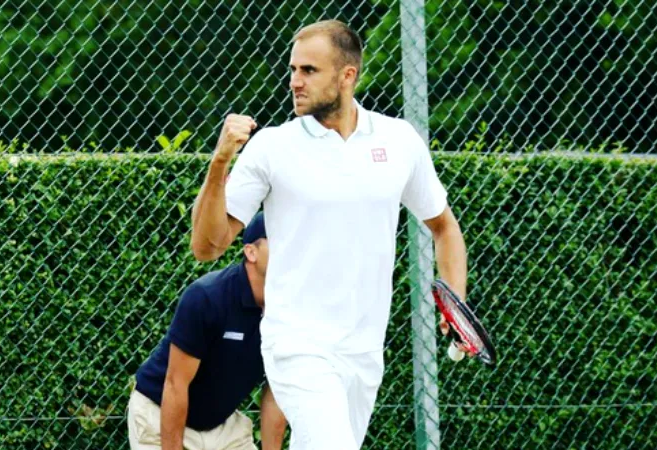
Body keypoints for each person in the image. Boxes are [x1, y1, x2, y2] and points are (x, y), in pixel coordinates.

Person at [190, 19, 467, 450]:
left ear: (347, 76)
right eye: (293, 69)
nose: (294, 82)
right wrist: (219, 163)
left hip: (364, 350)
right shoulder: (272, 147)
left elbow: (443, 226)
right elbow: (206, 247)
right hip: (297, 345)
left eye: (308, 71)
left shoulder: (399, 141)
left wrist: (455, 302)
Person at [128, 213, 287, 450]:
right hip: (159, 417)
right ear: (251, 252)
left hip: (222, 428)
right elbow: (175, 385)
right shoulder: (208, 297)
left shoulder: (294, 311)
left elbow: (275, 394)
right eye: (279, 238)